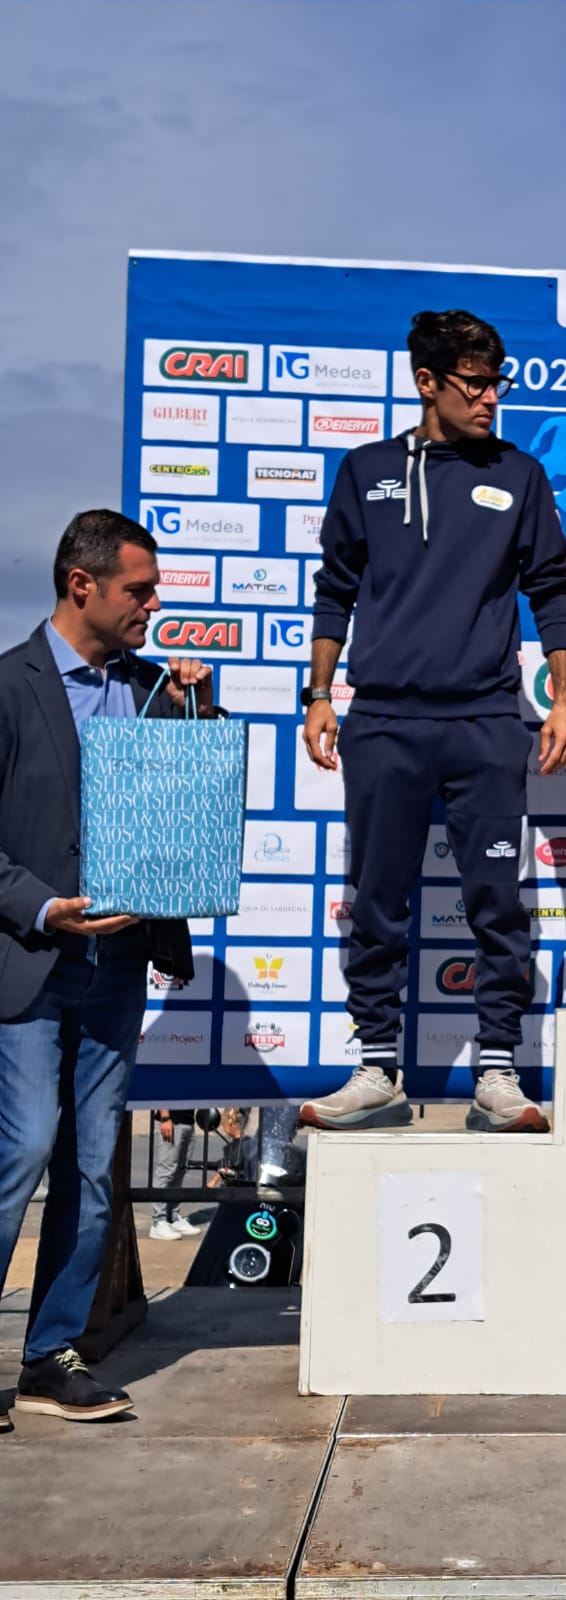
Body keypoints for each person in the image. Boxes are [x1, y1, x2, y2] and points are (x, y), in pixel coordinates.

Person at [299, 310, 566, 1134]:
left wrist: (564, 697)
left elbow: (551, 591)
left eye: (498, 383)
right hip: (384, 717)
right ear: (427, 382)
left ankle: (498, 1070)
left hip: (485, 719)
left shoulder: (520, 474)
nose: (492, 398)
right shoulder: (366, 470)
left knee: (496, 900)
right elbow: (334, 588)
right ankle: (378, 1068)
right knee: (376, 900)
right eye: (476, 383)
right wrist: (319, 693)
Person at [0, 509, 212, 1423]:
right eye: (139, 589)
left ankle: (50, 1358)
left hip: (120, 966)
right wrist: (46, 907)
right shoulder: (8, 687)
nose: (152, 605)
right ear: (80, 584)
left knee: (92, 1171)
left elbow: (196, 802)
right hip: (30, 960)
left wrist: (201, 708)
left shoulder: (154, 688)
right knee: (21, 1151)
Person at [148, 1109, 200, 1239]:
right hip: (171, 1121)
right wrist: (165, 1117)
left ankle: (173, 1217)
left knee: (180, 1171)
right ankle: (158, 1222)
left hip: (188, 1121)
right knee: (166, 1172)